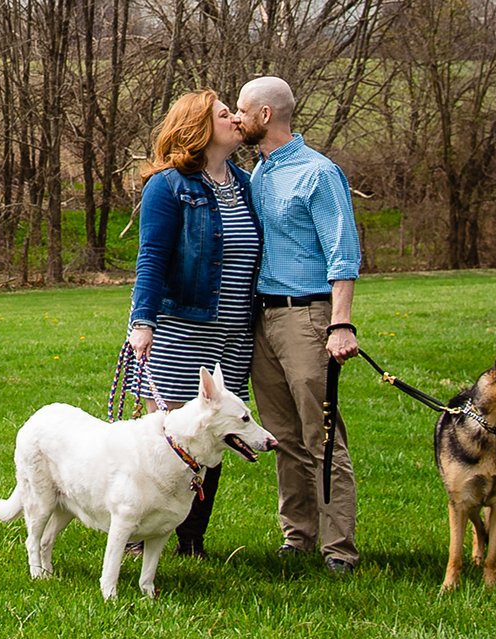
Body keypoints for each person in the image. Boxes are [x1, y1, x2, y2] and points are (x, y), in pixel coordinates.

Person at [126, 89, 262, 558]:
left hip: (235, 333)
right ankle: (141, 537)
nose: (236, 121)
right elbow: (152, 256)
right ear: (200, 128)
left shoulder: (245, 183)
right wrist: (142, 320)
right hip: (182, 328)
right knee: (167, 440)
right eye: (226, 115)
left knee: (215, 435)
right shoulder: (168, 185)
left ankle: (190, 539)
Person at [235, 76, 362, 574]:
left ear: (265, 115)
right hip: (263, 319)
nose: (236, 118)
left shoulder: (318, 173)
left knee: (322, 434)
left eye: (242, 110)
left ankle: (339, 549)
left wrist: (341, 323)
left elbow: (343, 251)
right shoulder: (260, 173)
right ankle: (299, 536)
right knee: (282, 436)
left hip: (308, 318)